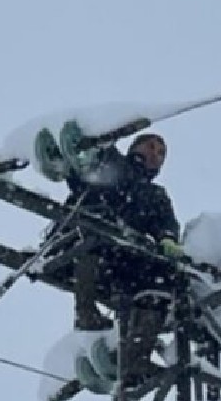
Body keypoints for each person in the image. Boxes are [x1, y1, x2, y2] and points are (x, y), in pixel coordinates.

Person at [62, 130, 184, 387]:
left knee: (163, 281)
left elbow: (166, 223)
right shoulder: (113, 163)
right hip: (93, 237)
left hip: (125, 258)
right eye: (151, 147)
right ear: (135, 147)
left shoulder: (156, 195)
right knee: (95, 238)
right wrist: (94, 147)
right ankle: (86, 310)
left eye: (161, 153)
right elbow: (78, 175)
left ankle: (135, 355)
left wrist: (167, 238)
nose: (156, 155)